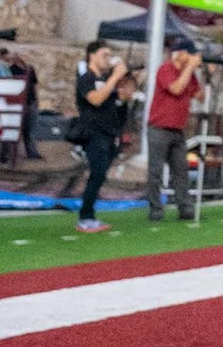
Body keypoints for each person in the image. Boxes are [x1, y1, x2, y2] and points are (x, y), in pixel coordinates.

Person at [69, 41, 132, 230]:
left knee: (101, 174)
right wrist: (114, 78)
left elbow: (118, 100)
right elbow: (95, 99)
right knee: (97, 173)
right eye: (105, 54)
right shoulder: (86, 78)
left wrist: (124, 85)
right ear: (92, 55)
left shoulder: (105, 79)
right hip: (93, 133)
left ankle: (89, 214)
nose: (108, 59)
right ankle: (85, 217)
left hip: (109, 133)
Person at [145, 43, 203, 222]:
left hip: (178, 129)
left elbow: (200, 96)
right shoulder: (166, 69)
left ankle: (185, 207)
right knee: (155, 171)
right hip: (159, 128)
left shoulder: (190, 74)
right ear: (180, 54)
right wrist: (190, 68)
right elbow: (176, 89)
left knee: (181, 170)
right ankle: (156, 209)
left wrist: (204, 73)